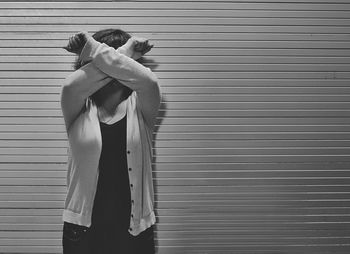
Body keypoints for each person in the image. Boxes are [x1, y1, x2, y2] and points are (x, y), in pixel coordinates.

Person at [60, 29, 161, 254]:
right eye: (106, 58)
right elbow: (70, 85)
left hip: (135, 233)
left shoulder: (142, 107)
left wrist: (94, 52)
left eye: (119, 60)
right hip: (82, 233)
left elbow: (148, 80)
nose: (113, 64)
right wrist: (126, 55)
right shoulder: (77, 106)